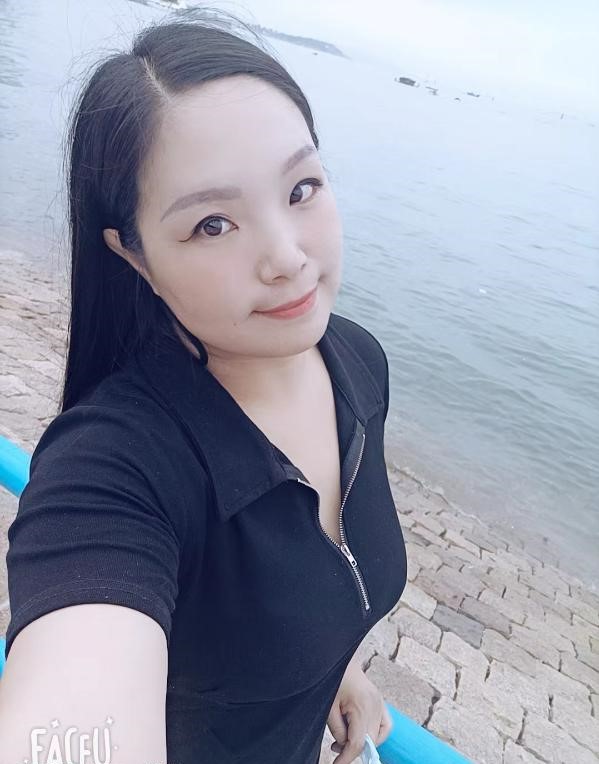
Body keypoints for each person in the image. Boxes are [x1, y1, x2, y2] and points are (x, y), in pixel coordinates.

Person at [0, 8, 408, 763]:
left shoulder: (356, 363)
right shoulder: (114, 465)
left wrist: (335, 667)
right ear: (134, 256)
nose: (286, 257)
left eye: (302, 188)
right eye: (213, 225)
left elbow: (308, 583)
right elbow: (73, 711)